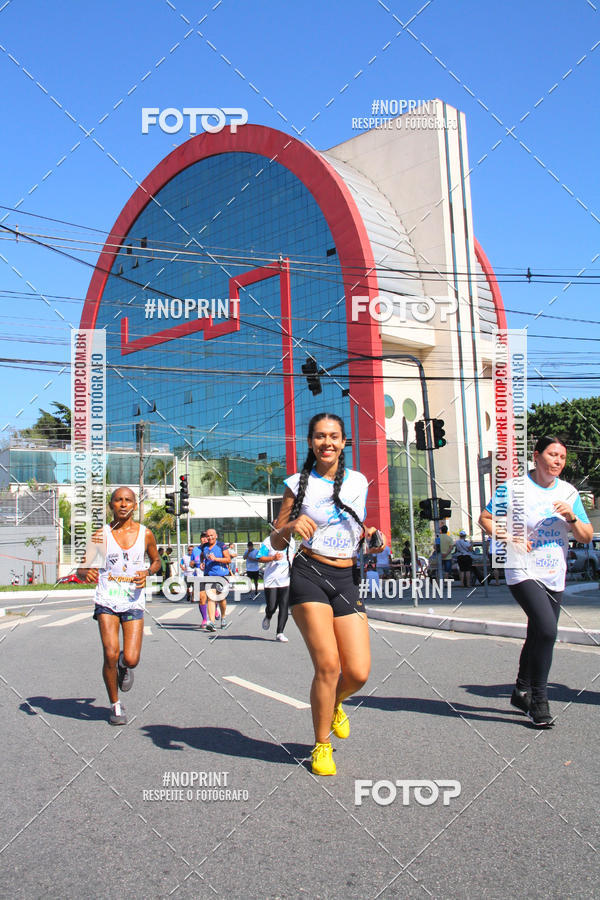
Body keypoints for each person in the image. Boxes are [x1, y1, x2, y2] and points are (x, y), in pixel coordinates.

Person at [271, 412, 386, 776]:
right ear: (310, 442)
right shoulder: (296, 484)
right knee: (328, 666)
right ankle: (321, 744)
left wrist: (374, 536)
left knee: (359, 672)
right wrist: (291, 525)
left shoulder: (359, 481)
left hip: (347, 577)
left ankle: (333, 704)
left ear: (343, 441)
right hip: (309, 574)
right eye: (320, 436)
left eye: (333, 436)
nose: (327, 443)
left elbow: (359, 528)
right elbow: (275, 540)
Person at [479, 435, 592, 727]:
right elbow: (485, 518)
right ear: (537, 455)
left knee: (538, 632)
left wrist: (572, 518)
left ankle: (521, 690)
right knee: (547, 630)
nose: (558, 461)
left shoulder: (568, 492)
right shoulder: (514, 488)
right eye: (553, 455)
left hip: (554, 572)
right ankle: (538, 701)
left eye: (562, 457)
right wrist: (510, 537)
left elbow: (586, 536)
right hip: (521, 569)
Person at [76, 487, 161, 725]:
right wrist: (86, 572)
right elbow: (82, 568)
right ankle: (115, 704)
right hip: (107, 599)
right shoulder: (101, 535)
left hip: (133, 600)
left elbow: (156, 561)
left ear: (134, 505)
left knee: (131, 659)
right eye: (118, 500)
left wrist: (148, 572)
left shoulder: (145, 534)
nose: (123, 504)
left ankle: (125, 666)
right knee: (110, 654)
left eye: (128, 500)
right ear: (111, 505)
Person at [256, 534, 296, 641]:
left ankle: (280, 633)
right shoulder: (268, 541)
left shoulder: (291, 541)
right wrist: (273, 558)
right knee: (272, 606)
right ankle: (268, 615)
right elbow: (259, 557)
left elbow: (292, 557)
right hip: (271, 580)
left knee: (284, 606)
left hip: (286, 579)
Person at [199, 528, 231, 631]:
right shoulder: (204, 547)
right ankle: (212, 622)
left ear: (216, 536)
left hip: (222, 575)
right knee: (211, 597)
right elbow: (202, 556)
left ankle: (223, 617)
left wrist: (216, 559)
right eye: (208, 536)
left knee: (221, 599)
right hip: (209, 575)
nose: (210, 537)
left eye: (212, 535)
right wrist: (202, 563)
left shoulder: (221, 545)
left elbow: (228, 559)